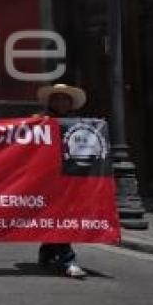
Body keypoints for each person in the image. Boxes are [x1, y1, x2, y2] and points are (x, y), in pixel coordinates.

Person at [35, 83, 88, 279]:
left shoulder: (82, 124)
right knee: (59, 215)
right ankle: (68, 259)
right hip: (47, 178)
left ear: (71, 103)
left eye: (65, 98)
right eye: (56, 98)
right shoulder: (39, 122)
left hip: (71, 177)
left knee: (60, 215)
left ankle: (47, 250)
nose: (60, 102)